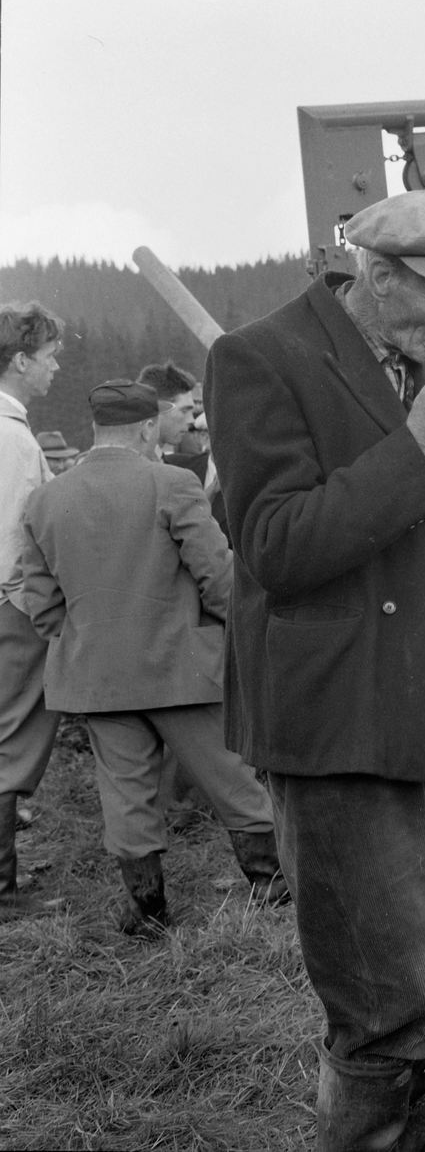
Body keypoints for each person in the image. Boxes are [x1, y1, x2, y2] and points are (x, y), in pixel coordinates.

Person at [205, 190, 425, 1151]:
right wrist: (419, 448)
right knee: (389, 999)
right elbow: (274, 546)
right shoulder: (259, 360)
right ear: (377, 273)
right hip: (340, 720)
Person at [21, 379, 285, 937]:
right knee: (233, 781)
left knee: (124, 793)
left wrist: (80, 641)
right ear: (146, 428)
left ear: (95, 430)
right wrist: (223, 633)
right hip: (181, 669)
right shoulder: (172, 483)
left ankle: (147, 909)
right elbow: (220, 579)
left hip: (96, 677)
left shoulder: (45, 499)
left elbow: (40, 601)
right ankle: (273, 887)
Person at [0, 302, 66, 920]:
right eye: (48, 355)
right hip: (12, 604)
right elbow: (18, 535)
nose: (55, 366)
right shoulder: (13, 438)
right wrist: (34, 608)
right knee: (15, 740)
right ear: (20, 360)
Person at [139, 361, 226, 537]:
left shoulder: (160, 461)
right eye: (184, 410)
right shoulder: (138, 467)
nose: (191, 420)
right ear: (158, 407)